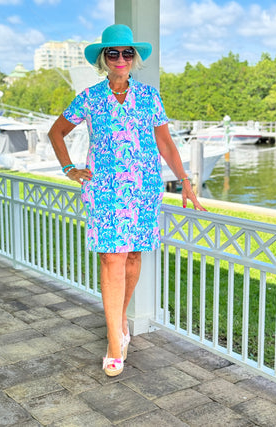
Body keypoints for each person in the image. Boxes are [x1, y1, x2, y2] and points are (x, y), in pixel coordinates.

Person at [48, 24, 206, 377]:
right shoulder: (89, 97)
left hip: (142, 189)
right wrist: (69, 168)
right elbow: (56, 131)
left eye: (127, 53)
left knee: (133, 256)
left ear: (135, 58)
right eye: (114, 53)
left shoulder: (149, 96)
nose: (121, 59)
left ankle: (120, 318)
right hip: (104, 190)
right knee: (111, 259)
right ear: (104, 59)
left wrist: (184, 181)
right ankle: (114, 343)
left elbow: (165, 143)